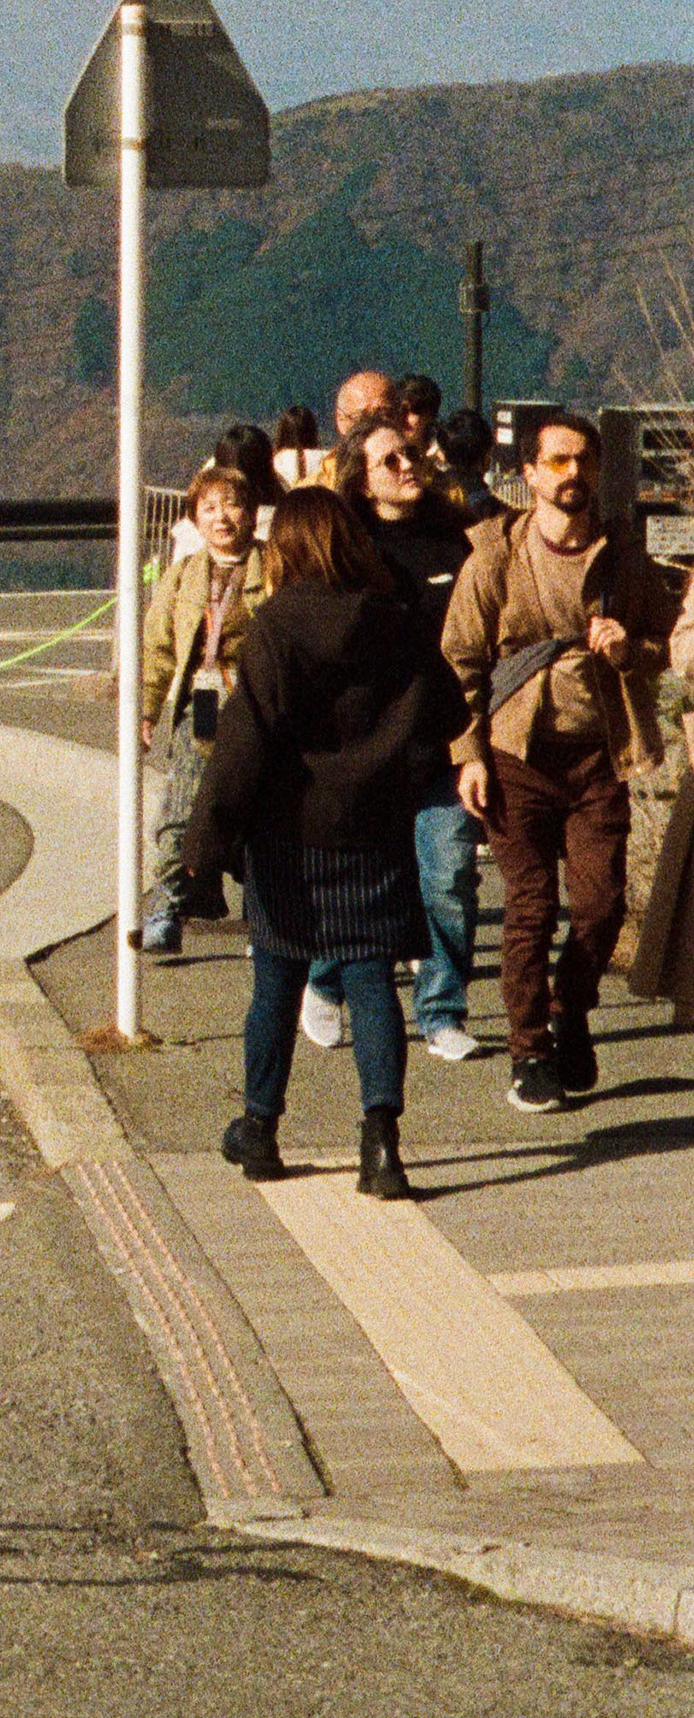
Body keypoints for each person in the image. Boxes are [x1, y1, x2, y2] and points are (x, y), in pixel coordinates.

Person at [186, 481, 452, 1196]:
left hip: (288, 832)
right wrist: (398, 771)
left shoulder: (276, 624)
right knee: (371, 982)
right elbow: (442, 712)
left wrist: (204, 845)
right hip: (372, 831)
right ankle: (382, 1143)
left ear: (287, 548)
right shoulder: (393, 620)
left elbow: (244, 742)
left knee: (275, 986)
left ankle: (260, 1130)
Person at [442, 407, 693, 1116]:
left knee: (601, 904)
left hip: (598, 755)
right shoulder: (495, 556)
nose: (572, 472)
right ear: (528, 473)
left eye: (583, 459)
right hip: (515, 756)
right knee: (529, 906)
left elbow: (664, 643)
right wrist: (469, 754)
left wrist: (629, 650)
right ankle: (529, 1052)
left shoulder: (623, 558)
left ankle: (570, 1007)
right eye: (557, 460)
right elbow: (459, 662)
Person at [354, 417, 484, 1059]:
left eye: (411, 454)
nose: (407, 465)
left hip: (445, 744)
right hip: (371, 750)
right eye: (389, 460)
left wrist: (476, 744)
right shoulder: (351, 549)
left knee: (450, 878)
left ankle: (441, 1009)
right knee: (363, 883)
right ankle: (329, 981)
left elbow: (484, 641)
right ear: (362, 478)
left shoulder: (454, 543)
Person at [136, 453, 263, 957]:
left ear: (251, 512)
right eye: (209, 508)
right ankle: (167, 908)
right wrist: (147, 710)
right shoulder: (183, 575)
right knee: (181, 807)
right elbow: (158, 647)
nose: (221, 517)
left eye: (232, 505)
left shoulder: (274, 567)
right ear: (194, 518)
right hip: (204, 703)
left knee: (257, 814)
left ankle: (263, 919)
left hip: (257, 706)